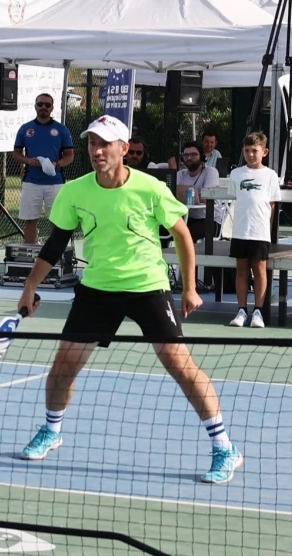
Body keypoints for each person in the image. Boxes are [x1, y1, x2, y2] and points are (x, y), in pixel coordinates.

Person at [13, 115, 241, 485]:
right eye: (92, 143)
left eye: (105, 144)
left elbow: (182, 235)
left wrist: (189, 288)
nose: (97, 150)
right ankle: (52, 430)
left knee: (180, 365)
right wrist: (29, 287)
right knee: (64, 364)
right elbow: (55, 244)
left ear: (123, 149)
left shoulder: (150, 188)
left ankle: (225, 447)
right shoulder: (75, 191)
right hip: (97, 289)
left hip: (147, 286)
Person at [227, 132, 281, 329]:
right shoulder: (236, 174)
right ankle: (242, 311)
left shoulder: (270, 175)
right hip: (240, 231)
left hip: (260, 232)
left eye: (255, 151)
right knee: (241, 270)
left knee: (259, 270)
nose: (250, 154)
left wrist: (266, 230)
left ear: (264, 152)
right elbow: (236, 200)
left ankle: (258, 312)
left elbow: (272, 205)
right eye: (247, 151)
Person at [12, 93, 74, 243]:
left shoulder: (61, 130)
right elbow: (16, 153)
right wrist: (28, 160)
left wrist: (56, 164)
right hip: (31, 182)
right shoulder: (25, 129)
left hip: (55, 183)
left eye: (47, 105)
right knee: (30, 220)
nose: (43, 107)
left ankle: (54, 253)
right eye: (40, 104)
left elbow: (69, 156)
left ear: (52, 108)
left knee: (56, 220)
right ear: (35, 106)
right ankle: (30, 251)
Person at [173, 141, 221, 243]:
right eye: (186, 155)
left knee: (187, 234)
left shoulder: (211, 172)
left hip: (209, 220)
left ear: (202, 156)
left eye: (193, 154)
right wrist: (196, 193)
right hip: (187, 218)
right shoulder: (180, 174)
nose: (189, 158)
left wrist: (185, 193)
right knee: (163, 229)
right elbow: (171, 194)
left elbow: (208, 196)